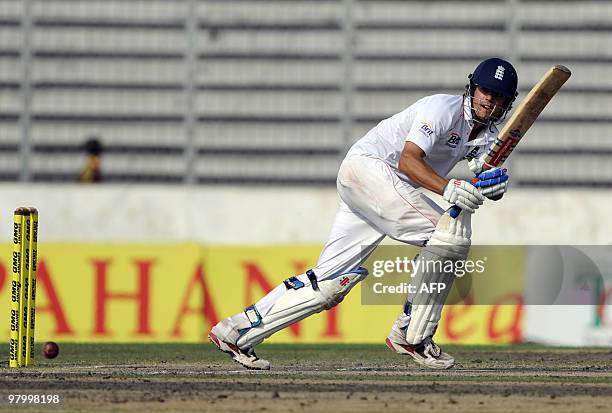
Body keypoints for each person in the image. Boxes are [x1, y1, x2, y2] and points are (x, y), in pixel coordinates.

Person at [208, 57, 518, 370]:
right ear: (471, 88)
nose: (489, 100)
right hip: (370, 170)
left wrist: (493, 186)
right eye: (484, 90)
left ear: (507, 101)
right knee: (449, 236)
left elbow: (484, 175)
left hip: (379, 189)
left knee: (328, 283)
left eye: (497, 95)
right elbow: (408, 161)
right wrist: (447, 188)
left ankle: (236, 332)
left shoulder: (487, 136)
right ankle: (412, 335)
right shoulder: (441, 109)